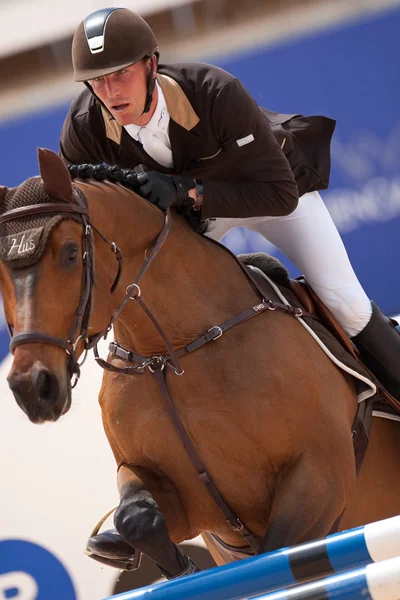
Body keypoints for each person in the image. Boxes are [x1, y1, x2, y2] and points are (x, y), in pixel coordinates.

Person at [60, 7, 400, 401]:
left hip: (268, 190)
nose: (111, 92)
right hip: (200, 215)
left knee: (348, 305)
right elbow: (75, 202)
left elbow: (280, 195)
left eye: (121, 73)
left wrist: (186, 190)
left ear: (151, 65)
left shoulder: (214, 92)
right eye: (97, 81)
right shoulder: (85, 126)